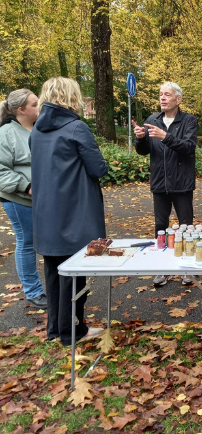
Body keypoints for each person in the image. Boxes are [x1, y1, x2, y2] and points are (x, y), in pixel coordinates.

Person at [30, 77, 108, 345]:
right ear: (71, 96)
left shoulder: (36, 130)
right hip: (74, 212)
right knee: (74, 273)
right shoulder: (76, 127)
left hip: (45, 212)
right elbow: (99, 168)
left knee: (53, 272)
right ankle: (71, 332)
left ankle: (55, 330)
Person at [133, 81, 198, 287]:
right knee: (160, 227)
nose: (162, 98)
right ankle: (162, 269)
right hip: (160, 183)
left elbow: (188, 147)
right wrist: (140, 139)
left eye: (167, 95)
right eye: (160, 94)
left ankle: (187, 269)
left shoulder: (188, 121)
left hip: (182, 183)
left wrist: (166, 137)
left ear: (178, 99)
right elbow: (143, 151)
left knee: (185, 226)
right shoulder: (152, 119)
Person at [0, 89, 46, 309]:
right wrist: (26, 187)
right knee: (27, 242)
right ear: (21, 110)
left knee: (43, 241)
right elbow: (1, 171)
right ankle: (33, 291)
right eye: (35, 104)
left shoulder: (40, 128)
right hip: (19, 199)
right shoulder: (7, 133)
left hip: (43, 199)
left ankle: (50, 287)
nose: (40, 106)